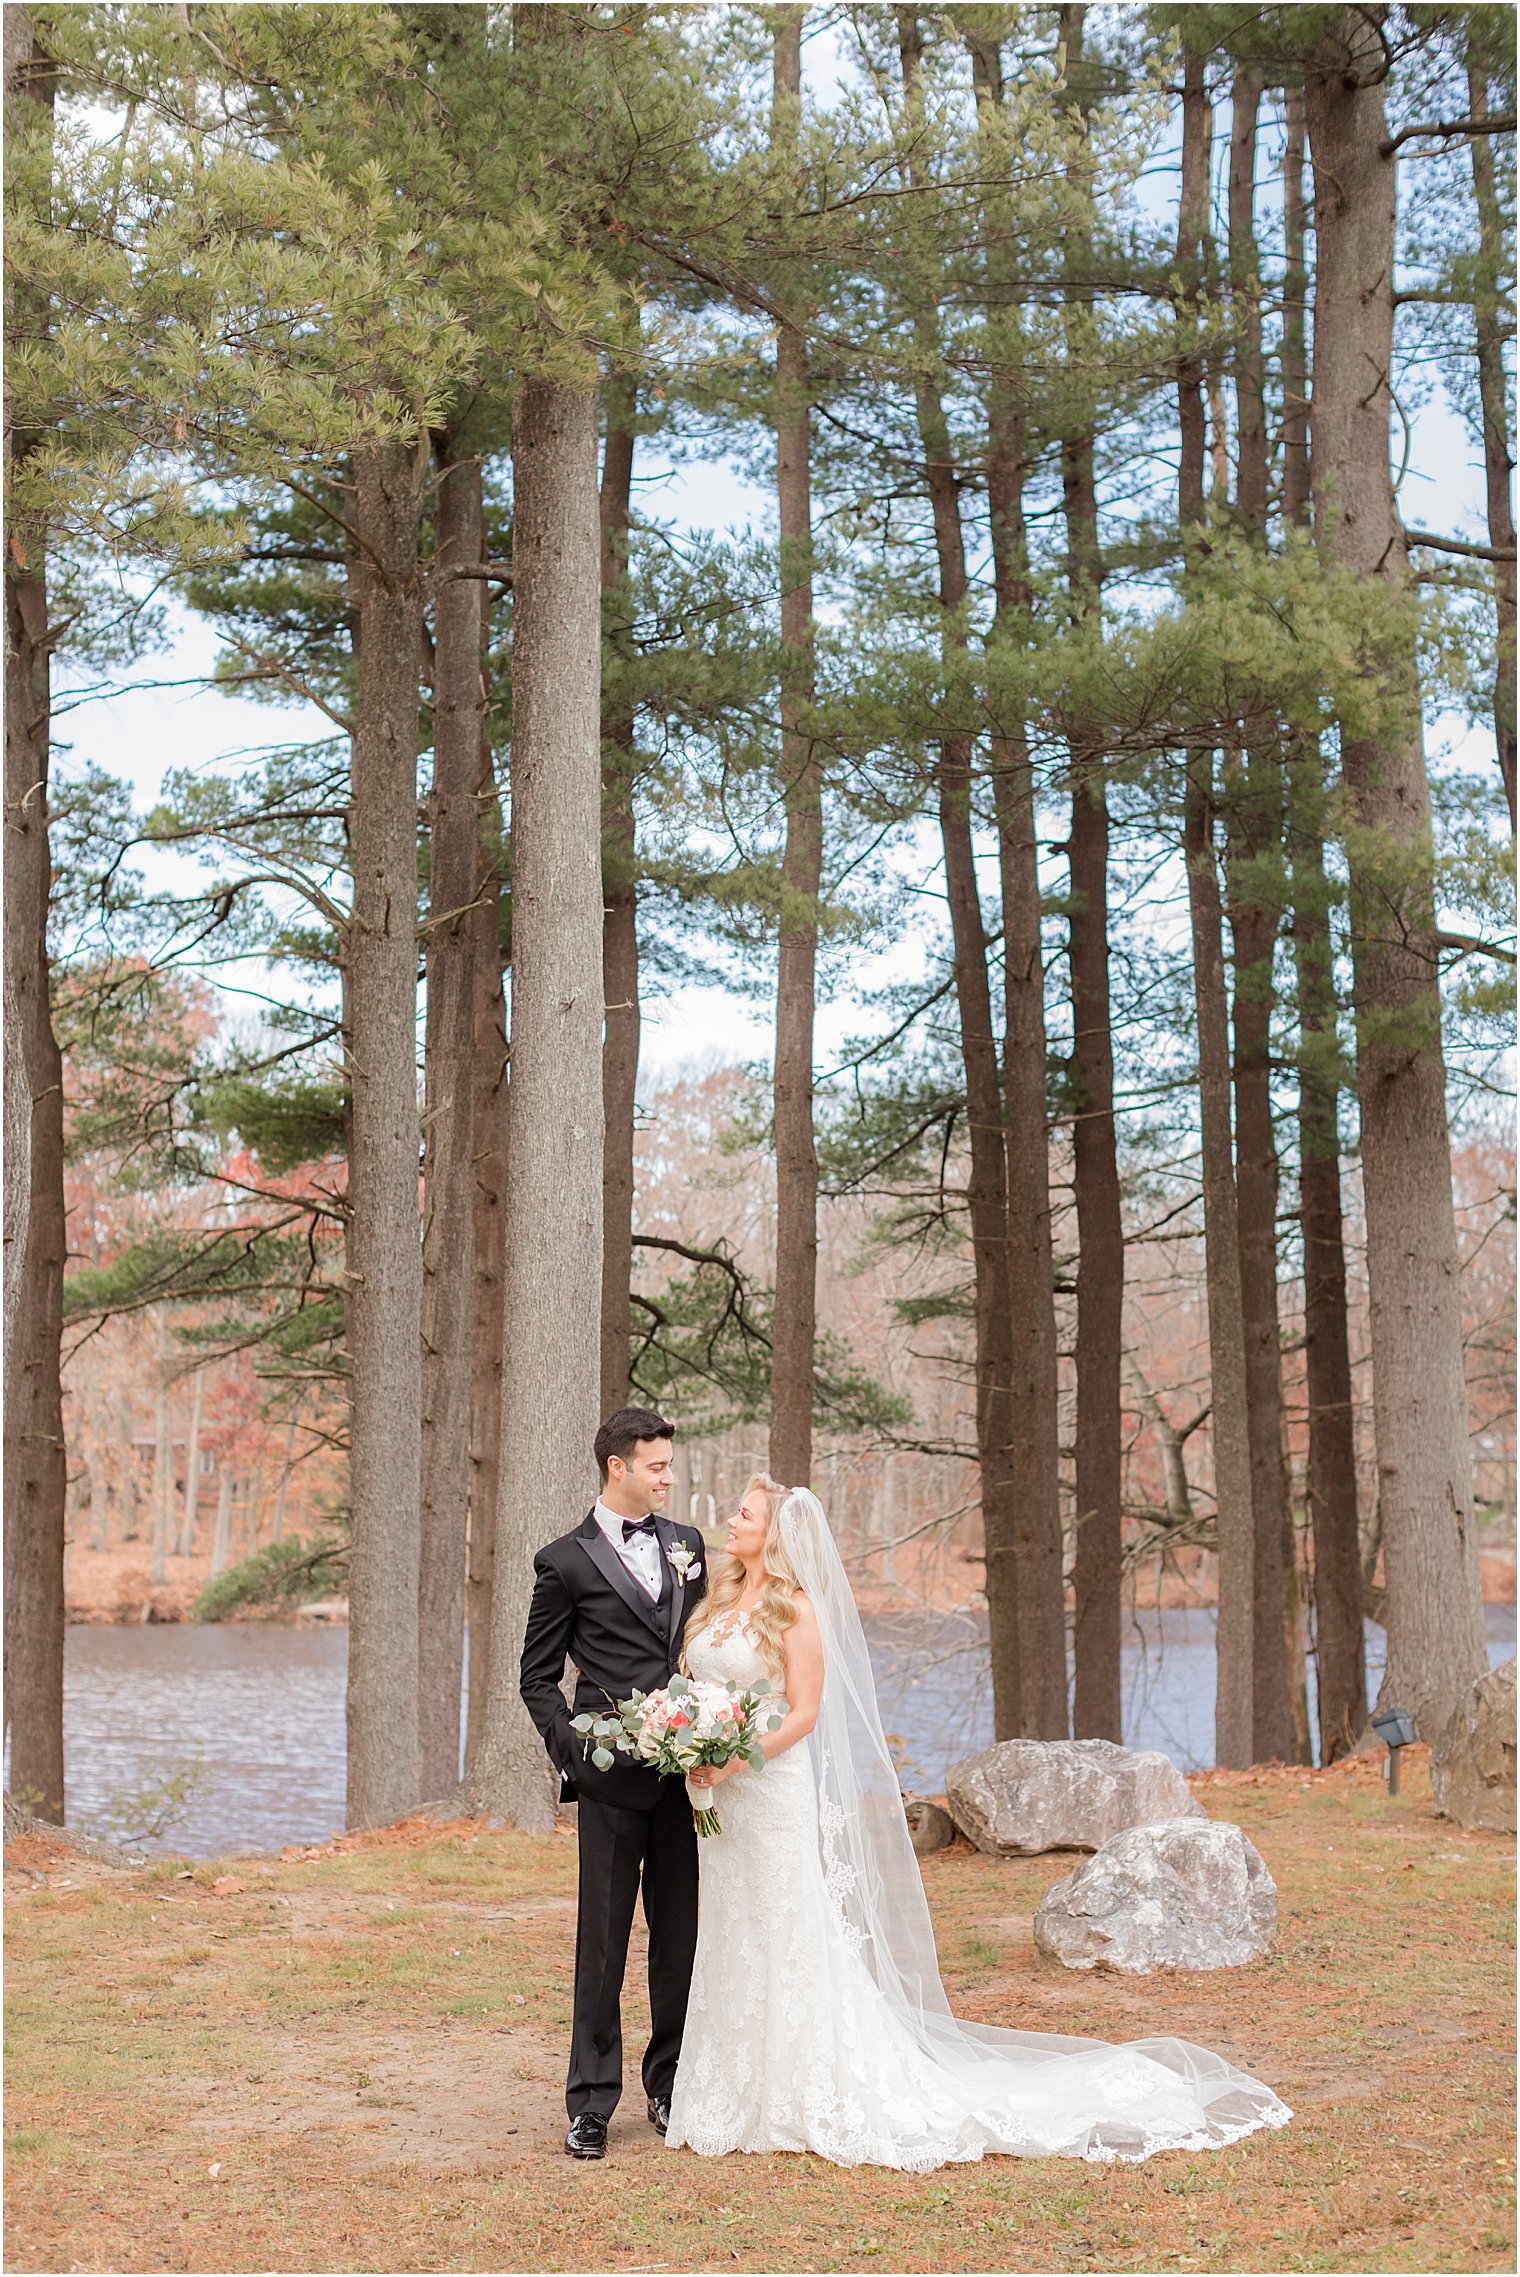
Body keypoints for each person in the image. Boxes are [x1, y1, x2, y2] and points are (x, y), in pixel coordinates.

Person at [667, 1475, 1292, 2169]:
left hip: (767, 1785)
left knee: (785, 1924)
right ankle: (731, 2085)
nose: (730, 1518)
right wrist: (692, 1740)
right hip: (724, 1797)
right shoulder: (718, 1599)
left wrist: (733, 1759)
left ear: (775, 1533)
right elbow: (700, 1691)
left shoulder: (798, 1609)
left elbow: (805, 1712)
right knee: (733, 1923)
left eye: (744, 1512)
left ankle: (798, 2086)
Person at [518, 1406, 708, 2161]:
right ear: (616, 1466)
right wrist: (577, 1754)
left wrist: (708, 1726)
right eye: (657, 1465)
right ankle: (591, 2102)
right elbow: (536, 1678)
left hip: (683, 1777)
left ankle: (670, 2084)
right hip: (608, 1781)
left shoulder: (687, 1546)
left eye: (670, 1464)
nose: (669, 1476)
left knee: (680, 1936)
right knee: (602, 1943)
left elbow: (698, 1648)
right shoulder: (563, 1561)